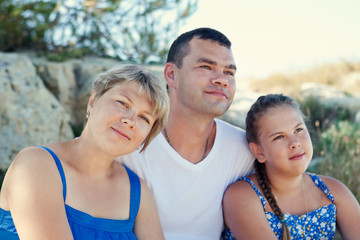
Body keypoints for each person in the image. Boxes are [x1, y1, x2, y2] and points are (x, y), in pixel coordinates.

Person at [0, 63, 170, 240]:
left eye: (144, 118)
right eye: (123, 103)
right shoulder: (35, 165)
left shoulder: (138, 192)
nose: (130, 121)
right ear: (93, 101)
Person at [117, 28, 255, 239]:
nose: (222, 79)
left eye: (229, 72)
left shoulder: (243, 149)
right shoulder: (129, 142)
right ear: (171, 75)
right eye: (206, 67)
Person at [222, 94, 360, 240]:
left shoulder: (333, 192)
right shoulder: (242, 197)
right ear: (259, 152)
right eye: (279, 137)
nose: (295, 142)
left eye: (298, 130)